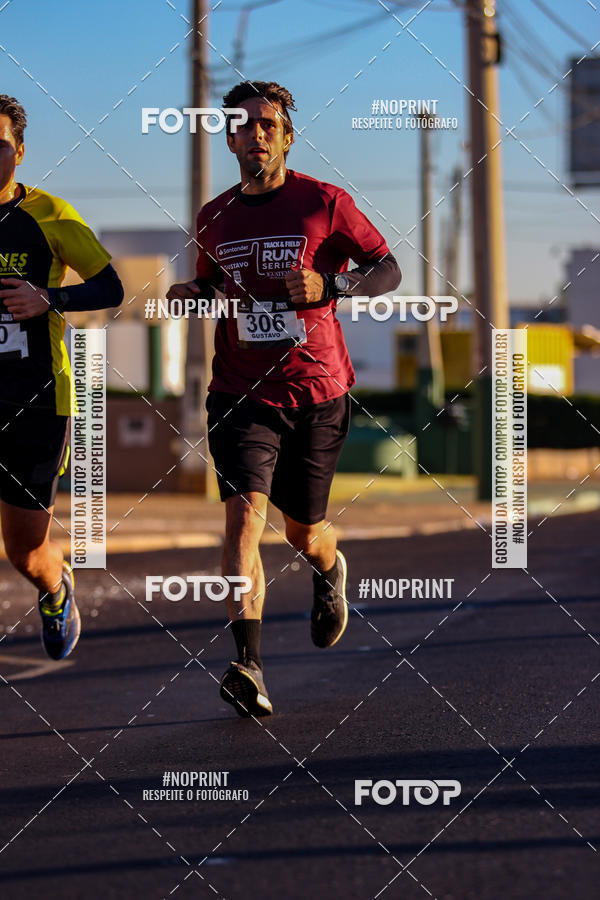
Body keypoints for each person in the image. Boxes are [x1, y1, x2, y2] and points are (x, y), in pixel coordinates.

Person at [167, 81, 401, 718]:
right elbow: (214, 284)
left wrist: (332, 281)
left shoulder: (324, 202)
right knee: (244, 519)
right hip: (240, 390)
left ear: (286, 135)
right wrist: (192, 290)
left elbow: (389, 269)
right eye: (244, 124)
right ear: (230, 139)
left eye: (269, 123)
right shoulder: (213, 216)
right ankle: (249, 663)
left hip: (317, 388)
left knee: (302, 532)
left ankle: (329, 566)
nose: (257, 133)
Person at [0, 95, 123, 660]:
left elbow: (109, 287)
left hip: (36, 401)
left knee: (23, 551)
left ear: (19, 152)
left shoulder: (49, 214)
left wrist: (46, 297)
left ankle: (54, 586)